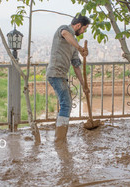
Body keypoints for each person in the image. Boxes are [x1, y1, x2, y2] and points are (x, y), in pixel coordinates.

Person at [46, 14, 90, 145]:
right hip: (55, 73)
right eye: (84, 29)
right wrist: (80, 48)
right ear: (78, 25)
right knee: (66, 104)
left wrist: (83, 85)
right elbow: (65, 34)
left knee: (65, 103)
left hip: (61, 75)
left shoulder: (74, 44)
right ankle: (59, 139)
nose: (83, 32)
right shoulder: (64, 29)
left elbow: (76, 65)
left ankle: (59, 135)